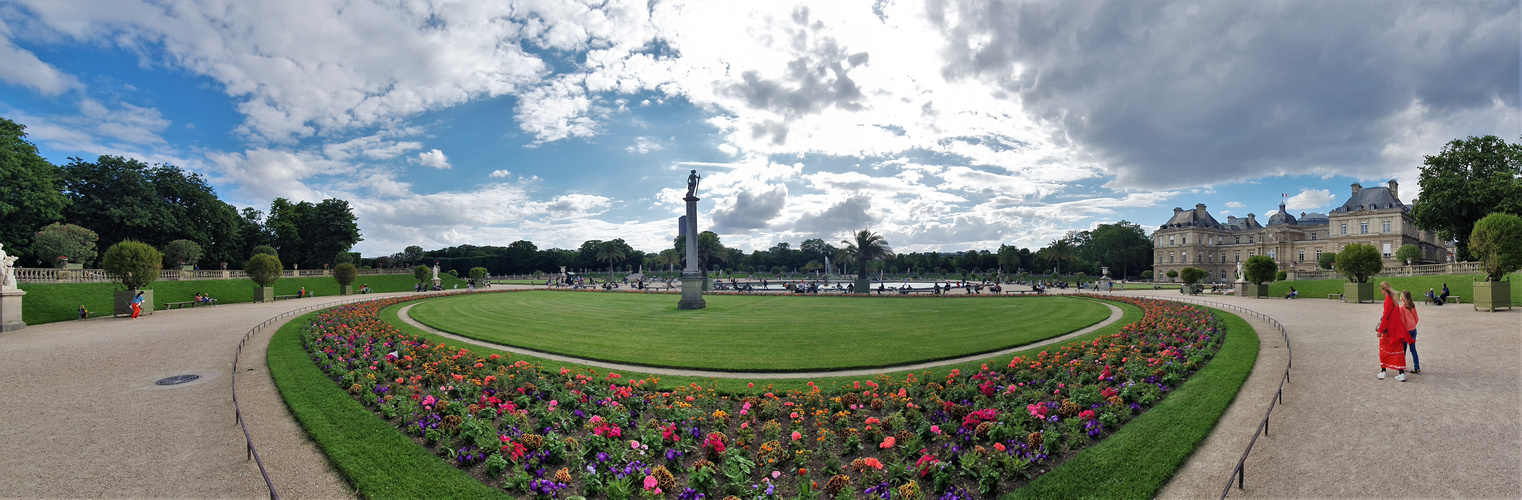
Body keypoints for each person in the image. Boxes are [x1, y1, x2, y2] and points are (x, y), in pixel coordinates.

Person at [1375, 281, 1413, 382]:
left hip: (1389, 330)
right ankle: (1401, 372)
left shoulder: (1388, 300)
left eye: (1381, 290)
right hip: (1396, 329)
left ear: (1384, 290)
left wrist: (1380, 330)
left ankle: (1383, 371)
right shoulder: (1394, 300)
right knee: (1398, 351)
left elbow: (1385, 317)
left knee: (1383, 350)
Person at [1401, 290, 1421, 374]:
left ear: (1403, 299)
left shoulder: (1401, 308)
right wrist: (1413, 325)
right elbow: (1416, 318)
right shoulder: (1413, 306)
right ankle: (1417, 367)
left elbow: (1402, 321)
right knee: (1413, 349)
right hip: (1413, 329)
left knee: (1403, 349)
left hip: (1406, 331)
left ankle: (1401, 366)